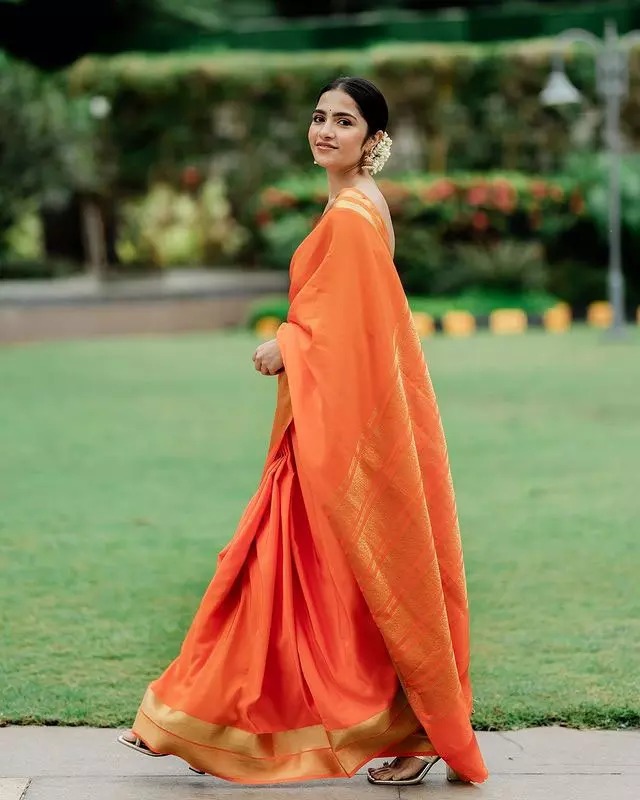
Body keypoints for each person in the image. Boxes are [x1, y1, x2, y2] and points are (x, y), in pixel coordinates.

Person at [118, 76, 488, 787]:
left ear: (372, 142)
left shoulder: (353, 214)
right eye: (319, 117)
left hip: (340, 431)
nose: (325, 130)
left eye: (344, 122)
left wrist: (288, 344)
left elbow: (351, 328)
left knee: (329, 581)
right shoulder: (356, 205)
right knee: (281, 575)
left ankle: (408, 729)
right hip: (329, 423)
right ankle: (186, 711)